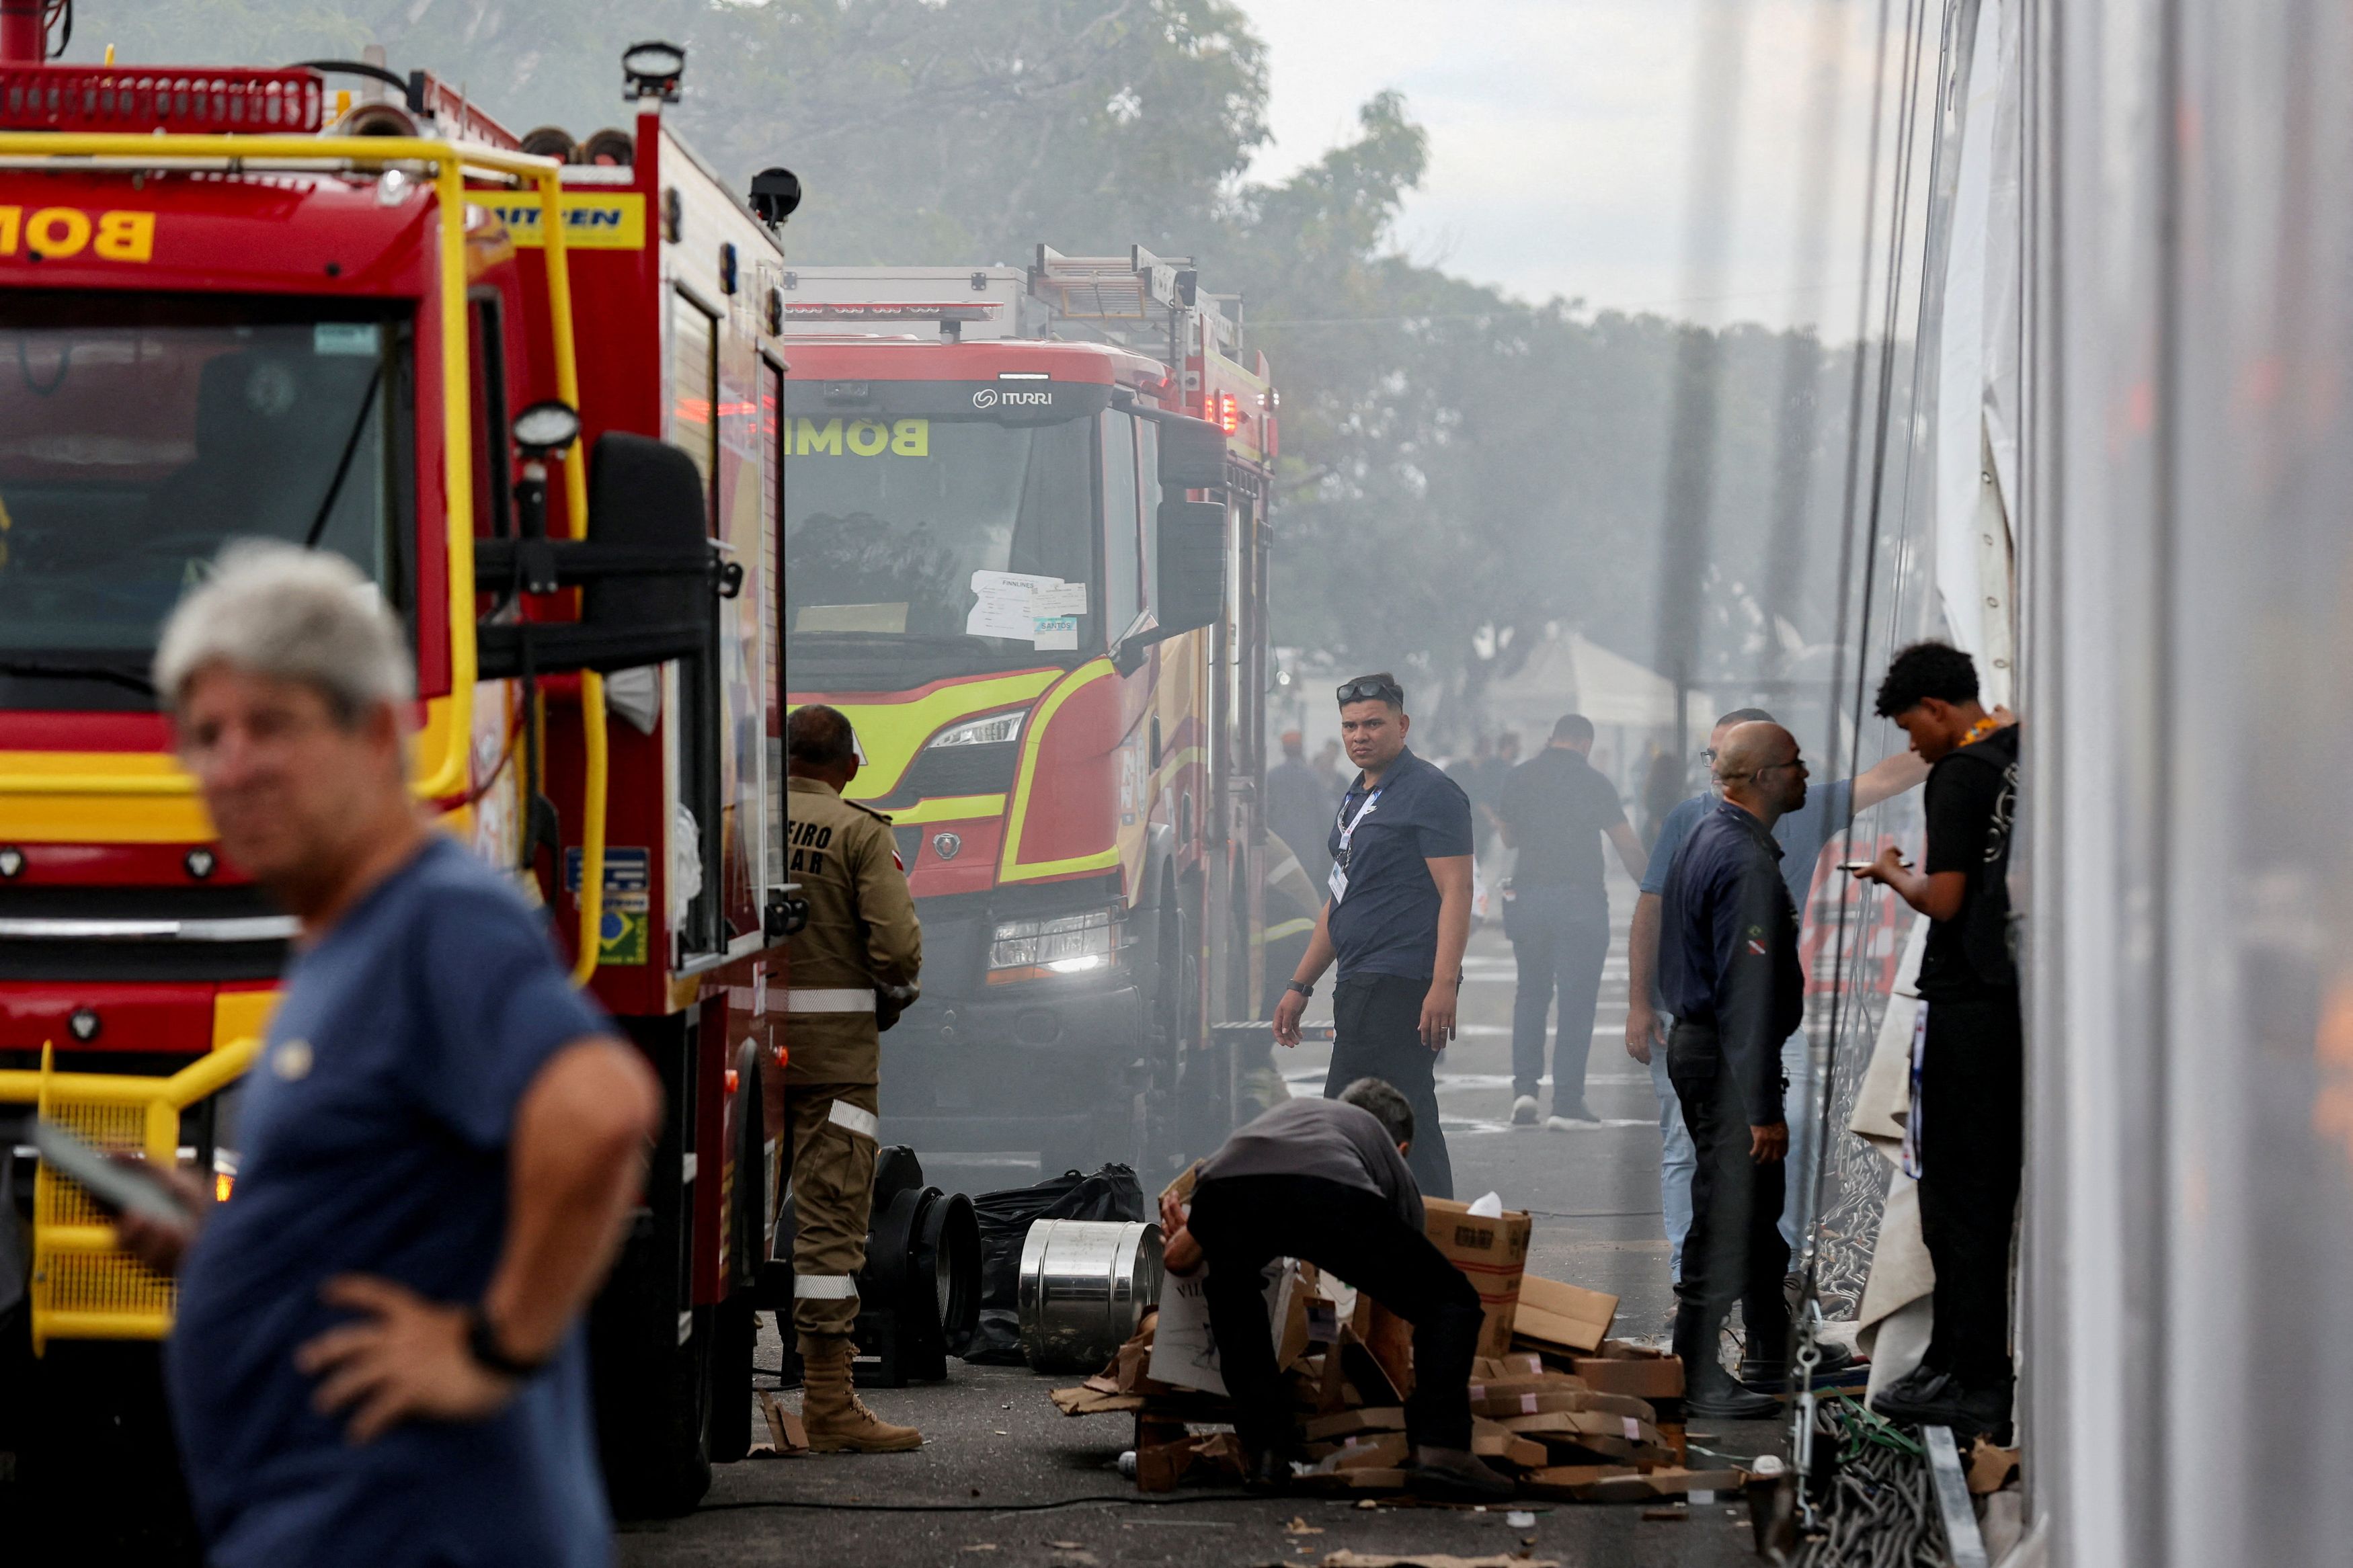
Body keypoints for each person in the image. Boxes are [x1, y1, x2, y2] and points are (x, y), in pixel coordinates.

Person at [116, 542, 662, 1568]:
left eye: (269, 726)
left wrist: (492, 1346)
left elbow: (599, 1110)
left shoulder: (436, 921)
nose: (229, 766)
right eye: (205, 736)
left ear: (375, 735)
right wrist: (234, 1249)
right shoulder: (345, 938)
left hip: (416, 1526)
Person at [1628, 706, 1929, 1306]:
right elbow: (1650, 909)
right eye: (1711, 757)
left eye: (1729, 757)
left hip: (1763, 1017)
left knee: (1791, 1132)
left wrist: (1965, 733)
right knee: (1692, 1148)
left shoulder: (1800, 808)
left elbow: (1886, 777)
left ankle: (1781, 1274)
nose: (1718, 770)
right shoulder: (1694, 822)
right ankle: (1695, 1280)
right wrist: (1639, 1002)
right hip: (1696, 1018)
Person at [1157, 1078, 1508, 1501]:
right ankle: (1442, 1452)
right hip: (1334, 1189)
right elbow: (1393, 1314)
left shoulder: (1288, 1120)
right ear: (1402, 1150)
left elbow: (1179, 1261)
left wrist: (1198, 1233)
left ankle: (1267, 1453)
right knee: (1452, 1301)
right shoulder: (1384, 1154)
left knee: (1234, 1291)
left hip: (1225, 1184)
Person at [1849, 643, 2022, 1436]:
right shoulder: (2014, 754)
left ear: (1938, 708)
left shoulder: (1958, 773)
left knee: (1957, 1198)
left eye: (1911, 727)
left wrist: (1891, 872)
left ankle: (1972, 1373)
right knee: (1975, 1194)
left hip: (1964, 1006)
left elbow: (1945, 898)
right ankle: (1951, 1359)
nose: (1911, 746)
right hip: (2004, 1000)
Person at [781, 703, 927, 1451]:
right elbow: (897, 956)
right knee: (829, 1233)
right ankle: (829, 1403)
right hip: (835, 1066)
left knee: (721, 1233)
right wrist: (888, 1007)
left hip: (735, 1060)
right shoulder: (860, 832)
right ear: (847, 765)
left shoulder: (733, 819)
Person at [1655, 721, 1812, 1417]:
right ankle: (1693, 1373)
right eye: (1793, 763)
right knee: (1727, 1209)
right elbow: (1743, 997)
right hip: (1725, 1057)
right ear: (1759, 778)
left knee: (1754, 1210)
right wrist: (1759, 1108)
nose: (1803, 772)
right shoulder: (1742, 859)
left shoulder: (1708, 835)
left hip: (1705, 1046)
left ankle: (1769, 1352)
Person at [1270, 673, 1475, 1200]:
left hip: (1402, 981)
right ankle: (1429, 1236)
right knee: (1404, 1115)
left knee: (1347, 1115)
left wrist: (1443, 983)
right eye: (1350, 726)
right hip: (1359, 980)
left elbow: (1457, 890)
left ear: (1402, 725)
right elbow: (1340, 900)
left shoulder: (1431, 792)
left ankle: (1389, 1237)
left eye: (1373, 723)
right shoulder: (1357, 797)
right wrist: (1301, 982)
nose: (1360, 735)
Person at [1496, 713, 1648, 1127]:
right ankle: (1566, 1102)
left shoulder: (1520, 776)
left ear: (1552, 737)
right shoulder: (1596, 782)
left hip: (1528, 898)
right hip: (1581, 901)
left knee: (1530, 994)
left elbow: (1508, 837)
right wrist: (1657, 893)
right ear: (1584, 743)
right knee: (1577, 1003)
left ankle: (1524, 1093)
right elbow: (1627, 846)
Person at [1267, 728, 1338, 884]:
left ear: (1283, 750)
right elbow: (1325, 817)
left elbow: (1266, 815)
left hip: (1280, 851)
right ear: (1301, 749)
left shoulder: (1272, 778)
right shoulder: (1313, 778)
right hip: (1309, 853)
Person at [1446, 735, 1499, 861]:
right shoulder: (1462, 770)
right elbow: (1478, 798)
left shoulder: (1484, 771)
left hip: (1473, 820)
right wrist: (1492, 818)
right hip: (1468, 819)